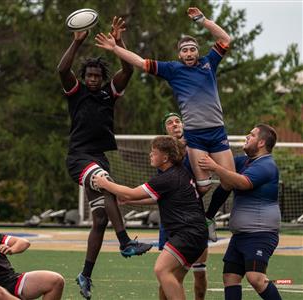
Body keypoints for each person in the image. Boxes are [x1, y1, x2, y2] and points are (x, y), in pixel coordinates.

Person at [94, 7, 235, 198]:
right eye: (184, 50)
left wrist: (203, 21)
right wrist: (115, 48)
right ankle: (193, 218)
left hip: (217, 130)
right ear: (179, 55)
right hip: (195, 136)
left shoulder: (208, 63)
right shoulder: (172, 69)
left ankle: (208, 217)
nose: (189, 53)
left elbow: (225, 39)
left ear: (198, 52)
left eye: (193, 49)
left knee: (230, 181)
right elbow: (141, 62)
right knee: (203, 187)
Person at [57, 17, 152, 299]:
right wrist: (77, 42)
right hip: (78, 158)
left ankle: (85, 275)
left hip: (98, 158)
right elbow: (62, 69)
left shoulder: (109, 94)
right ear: (85, 78)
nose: (94, 79)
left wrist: (118, 43)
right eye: (90, 76)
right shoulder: (77, 93)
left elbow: (128, 69)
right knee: (107, 182)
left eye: (98, 76)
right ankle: (125, 242)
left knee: (99, 220)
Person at [94, 136, 208, 300]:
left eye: (154, 152)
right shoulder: (180, 172)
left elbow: (130, 192)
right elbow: (156, 198)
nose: (150, 155)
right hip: (196, 234)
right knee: (170, 280)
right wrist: (129, 199)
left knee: (161, 269)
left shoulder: (167, 178)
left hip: (187, 234)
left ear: (165, 157)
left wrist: (104, 183)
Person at [198, 124, 282, 300]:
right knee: (230, 278)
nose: (246, 136)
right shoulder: (242, 162)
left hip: (260, 234)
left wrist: (216, 167)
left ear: (261, 143)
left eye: (251, 135)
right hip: (241, 235)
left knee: (256, 278)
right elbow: (225, 182)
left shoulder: (267, 165)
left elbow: (243, 182)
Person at [159, 112, 208, 300]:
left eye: (177, 121)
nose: (174, 124)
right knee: (165, 274)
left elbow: (204, 184)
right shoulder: (164, 154)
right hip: (172, 219)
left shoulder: (194, 148)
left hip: (194, 217)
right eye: (169, 123)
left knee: (199, 271)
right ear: (166, 130)